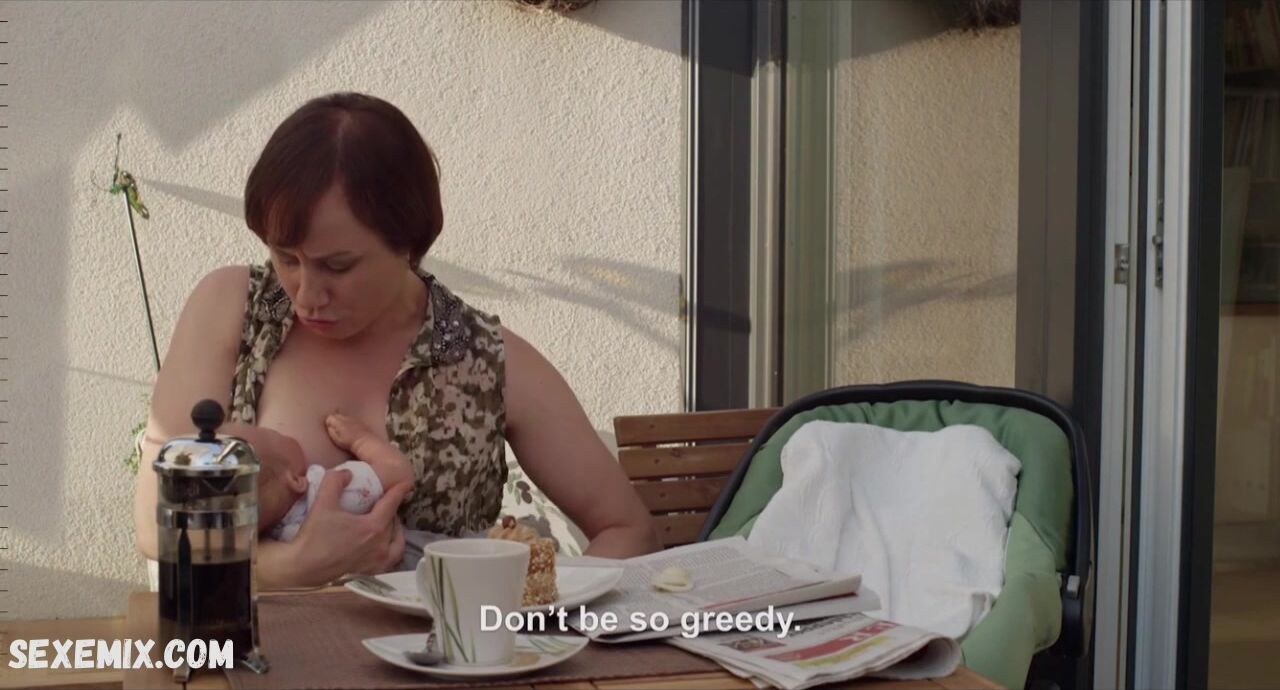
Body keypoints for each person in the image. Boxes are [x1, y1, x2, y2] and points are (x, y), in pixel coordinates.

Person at [133, 92, 662, 589]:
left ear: (409, 242)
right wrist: (292, 566)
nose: (306, 295)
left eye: (337, 266)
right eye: (286, 258)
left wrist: (526, 618)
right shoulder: (235, 309)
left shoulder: (485, 360)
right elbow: (158, 523)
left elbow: (628, 531)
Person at [256, 413, 414, 544]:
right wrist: (360, 441)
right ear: (295, 481)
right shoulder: (332, 491)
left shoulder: (279, 541)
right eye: (272, 435)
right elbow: (398, 472)